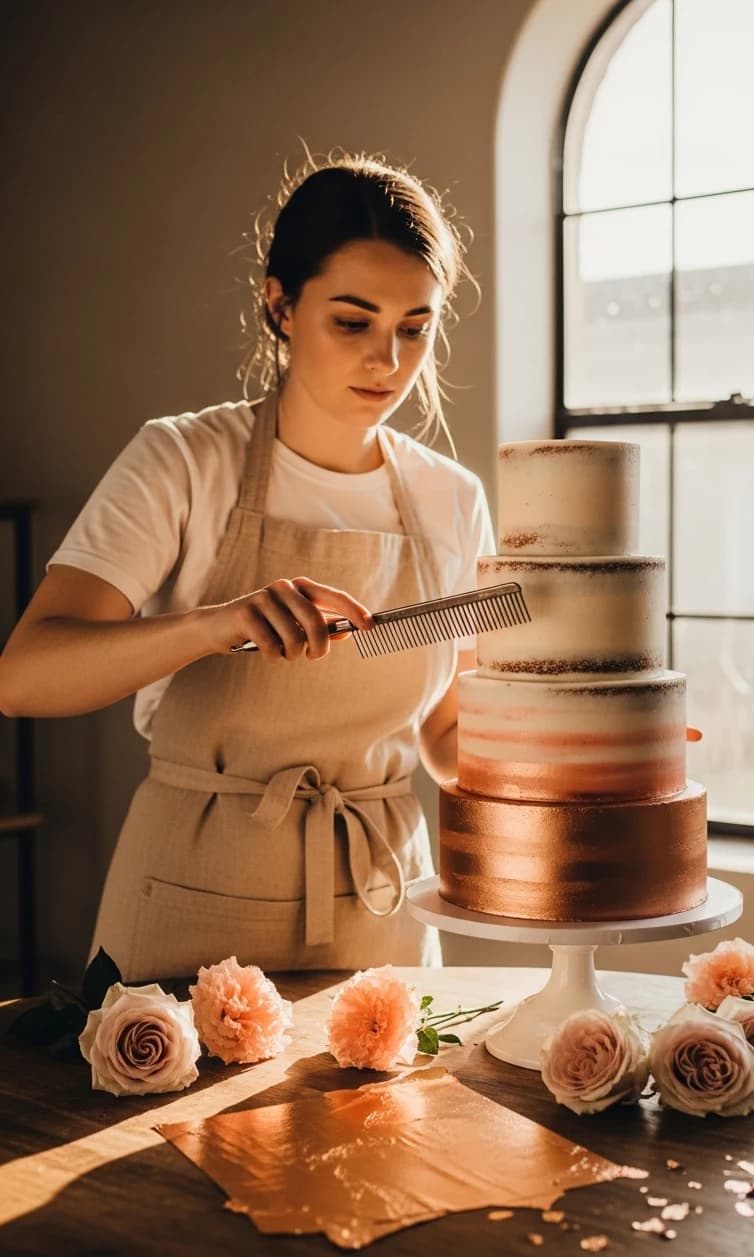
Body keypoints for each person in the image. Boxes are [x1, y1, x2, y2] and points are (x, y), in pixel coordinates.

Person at [0, 152, 494, 981]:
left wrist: (599, 745)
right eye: (353, 320)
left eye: (416, 326)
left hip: (382, 911)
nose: (389, 360)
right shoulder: (183, 460)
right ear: (280, 305)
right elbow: (23, 676)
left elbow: (447, 737)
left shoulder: (453, 498)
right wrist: (216, 622)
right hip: (191, 895)